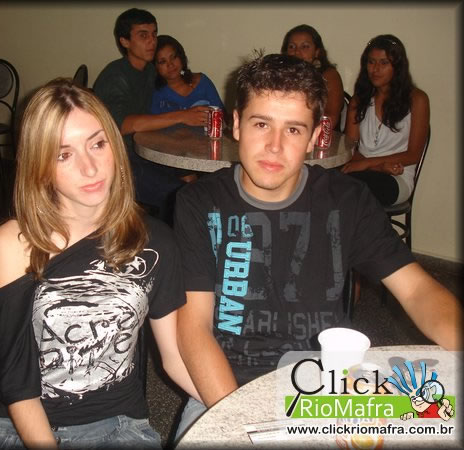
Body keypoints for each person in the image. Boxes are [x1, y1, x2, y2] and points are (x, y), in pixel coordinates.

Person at [173, 52, 462, 438]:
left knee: (435, 418)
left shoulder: (347, 200)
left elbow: (418, 291)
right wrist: (246, 426)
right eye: (262, 124)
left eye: (293, 130)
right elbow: (194, 328)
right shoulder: (199, 203)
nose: (274, 146)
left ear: (313, 138)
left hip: (330, 388)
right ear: (237, 124)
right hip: (226, 387)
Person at [0, 78, 200, 448]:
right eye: (63, 155)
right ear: (39, 166)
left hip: (119, 426)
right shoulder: (16, 242)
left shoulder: (156, 241)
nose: (90, 168)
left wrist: (240, 410)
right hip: (25, 428)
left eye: (97, 144)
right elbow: (17, 385)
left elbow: (176, 358)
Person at [93, 8, 210, 223]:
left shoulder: (149, 71)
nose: (152, 41)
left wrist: (194, 82)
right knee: (180, 195)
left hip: (147, 151)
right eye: (143, 35)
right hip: (120, 160)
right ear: (125, 41)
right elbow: (121, 125)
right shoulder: (115, 76)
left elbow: (175, 81)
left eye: (154, 34)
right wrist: (182, 116)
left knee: (194, 179)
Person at [342, 34, 429, 207]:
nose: (375, 69)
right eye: (371, 62)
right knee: (324, 182)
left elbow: (413, 155)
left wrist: (367, 163)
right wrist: (376, 167)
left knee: (351, 191)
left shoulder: (417, 99)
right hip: (361, 170)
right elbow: (349, 147)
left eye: (384, 63)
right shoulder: (359, 100)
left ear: (397, 66)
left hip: (397, 176)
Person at [281, 24, 344, 131]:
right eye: (292, 47)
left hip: (320, 137)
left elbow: (330, 118)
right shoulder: (280, 77)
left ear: (317, 52)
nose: (297, 52)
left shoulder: (329, 75)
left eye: (304, 47)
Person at [150, 34, 224, 115]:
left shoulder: (202, 82)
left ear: (181, 56)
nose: (170, 65)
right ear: (154, 66)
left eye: (173, 57)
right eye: (163, 62)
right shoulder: (155, 93)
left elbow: (221, 115)